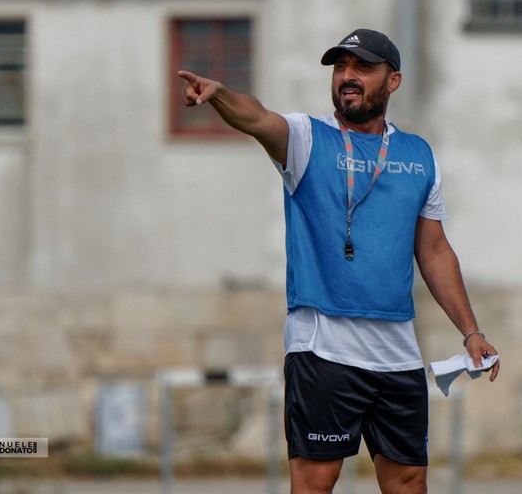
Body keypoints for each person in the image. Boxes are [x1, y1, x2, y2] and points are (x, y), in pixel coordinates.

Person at [178, 28, 500, 494]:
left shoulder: (418, 154)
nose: (347, 77)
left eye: (362, 68)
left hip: (397, 349)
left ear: (393, 81)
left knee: (410, 480)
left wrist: (471, 330)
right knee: (315, 481)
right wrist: (220, 96)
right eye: (340, 67)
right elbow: (259, 119)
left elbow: (433, 250)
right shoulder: (308, 138)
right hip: (324, 343)